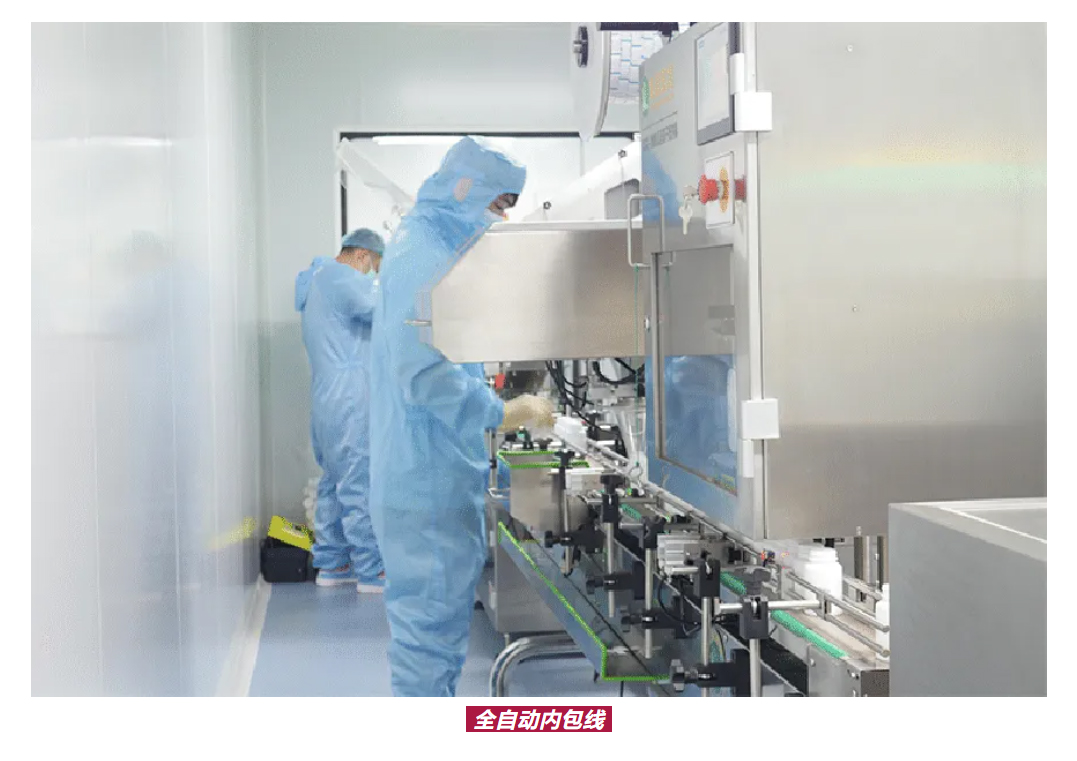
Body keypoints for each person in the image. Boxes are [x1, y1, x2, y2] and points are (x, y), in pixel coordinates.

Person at [369, 137, 555, 696]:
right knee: (428, 641)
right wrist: (499, 411)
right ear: (464, 189)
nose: (499, 220)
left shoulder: (431, 248)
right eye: (497, 205)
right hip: (425, 482)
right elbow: (422, 369)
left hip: (431, 473)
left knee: (437, 638)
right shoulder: (422, 254)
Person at [295, 228, 387, 592]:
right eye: (373, 267)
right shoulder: (340, 277)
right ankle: (372, 571)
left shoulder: (318, 278)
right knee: (359, 481)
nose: (370, 275)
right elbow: (382, 309)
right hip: (350, 397)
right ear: (362, 255)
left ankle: (334, 564)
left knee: (334, 480)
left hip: (327, 397)